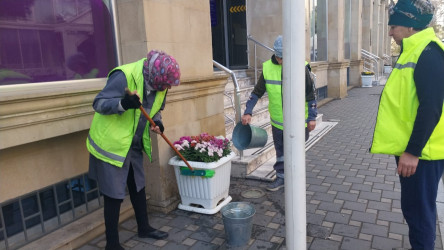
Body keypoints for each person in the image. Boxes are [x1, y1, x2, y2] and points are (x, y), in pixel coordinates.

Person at [86, 50, 180, 250]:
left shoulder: (162, 84)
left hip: (133, 142)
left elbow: (156, 109)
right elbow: (99, 103)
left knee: (138, 185)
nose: (166, 88)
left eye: (167, 86)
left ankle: (144, 228)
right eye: (163, 85)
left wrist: (157, 124)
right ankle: (112, 244)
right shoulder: (123, 76)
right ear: (154, 77)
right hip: (111, 144)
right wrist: (123, 104)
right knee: (114, 194)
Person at [370, 1, 444, 249]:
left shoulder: (428, 53)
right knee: (415, 209)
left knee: (419, 213)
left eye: (394, 26)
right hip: (417, 151)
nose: (390, 32)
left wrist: (412, 152)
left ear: (411, 25)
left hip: (422, 154)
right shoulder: (416, 49)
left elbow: (431, 108)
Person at [241, 35, 317, 191]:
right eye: (278, 56)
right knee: (281, 152)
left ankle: (295, 179)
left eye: (284, 57)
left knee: (295, 152)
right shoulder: (268, 67)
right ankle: (281, 177)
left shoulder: (301, 67)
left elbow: (310, 95)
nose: (281, 60)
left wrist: (312, 117)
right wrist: (248, 111)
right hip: (278, 122)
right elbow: (257, 92)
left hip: (299, 122)